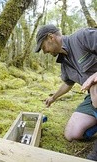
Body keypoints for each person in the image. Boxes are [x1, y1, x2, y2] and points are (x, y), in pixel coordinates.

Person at [35, 24, 97, 160]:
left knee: (95, 87)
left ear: (51, 37)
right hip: (93, 98)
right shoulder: (63, 62)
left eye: (43, 47)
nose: (44, 52)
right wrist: (53, 98)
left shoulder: (82, 37)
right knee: (71, 133)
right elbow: (68, 83)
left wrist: (95, 75)